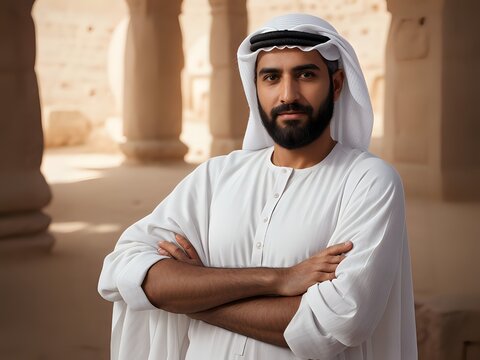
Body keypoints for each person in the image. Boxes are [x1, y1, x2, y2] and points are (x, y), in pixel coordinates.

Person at [98, 13, 417, 360]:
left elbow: (335, 324)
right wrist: (278, 280)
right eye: (271, 77)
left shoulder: (369, 182)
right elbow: (123, 271)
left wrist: (191, 297)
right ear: (256, 88)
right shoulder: (218, 176)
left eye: (305, 75)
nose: (288, 94)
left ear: (336, 85)